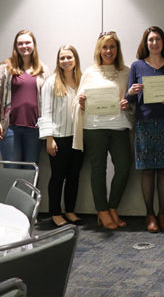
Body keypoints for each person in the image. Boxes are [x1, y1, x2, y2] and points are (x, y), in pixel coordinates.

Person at [72, 31, 132, 230]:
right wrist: (80, 101)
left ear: (117, 49)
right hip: (94, 126)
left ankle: (112, 206)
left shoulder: (126, 71)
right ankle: (102, 210)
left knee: (123, 166)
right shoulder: (90, 72)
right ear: (99, 50)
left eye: (112, 47)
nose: (108, 51)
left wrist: (127, 105)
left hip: (119, 125)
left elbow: (132, 100)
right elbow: (79, 99)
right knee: (98, 169)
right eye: (105, 47)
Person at [126, 26, 164, 233]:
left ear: (163, 42)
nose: (154, 43)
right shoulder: (137, 66)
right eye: (151, 40)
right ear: (145, 43)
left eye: (158, 39)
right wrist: (131, 91)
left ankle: (163, 213)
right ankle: (150, 214)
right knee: (148, 170)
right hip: (144, 123)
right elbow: (129, 97)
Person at [38, 45, 84, 227]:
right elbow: (46, 112)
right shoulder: (51, 82)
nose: (66, 61)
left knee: (74, 176)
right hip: (58, 138)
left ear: (75, 59)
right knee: (58, 176)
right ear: (58, 61)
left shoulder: (82, 81)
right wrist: (49, 139)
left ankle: (70, 211)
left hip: (77, 136)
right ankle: (55, 213)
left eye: (69, 57)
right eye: (62, 58)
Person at [0, 30, 49, 167]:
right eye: (20, 43)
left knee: (30, 173)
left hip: (34, 130)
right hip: (10, 128)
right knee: (12, 171)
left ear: (34, 45)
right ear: (16, 46)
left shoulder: (43, 70)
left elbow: (48, 102)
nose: (24, 46)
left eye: (28, 42)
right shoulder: (5, 69)